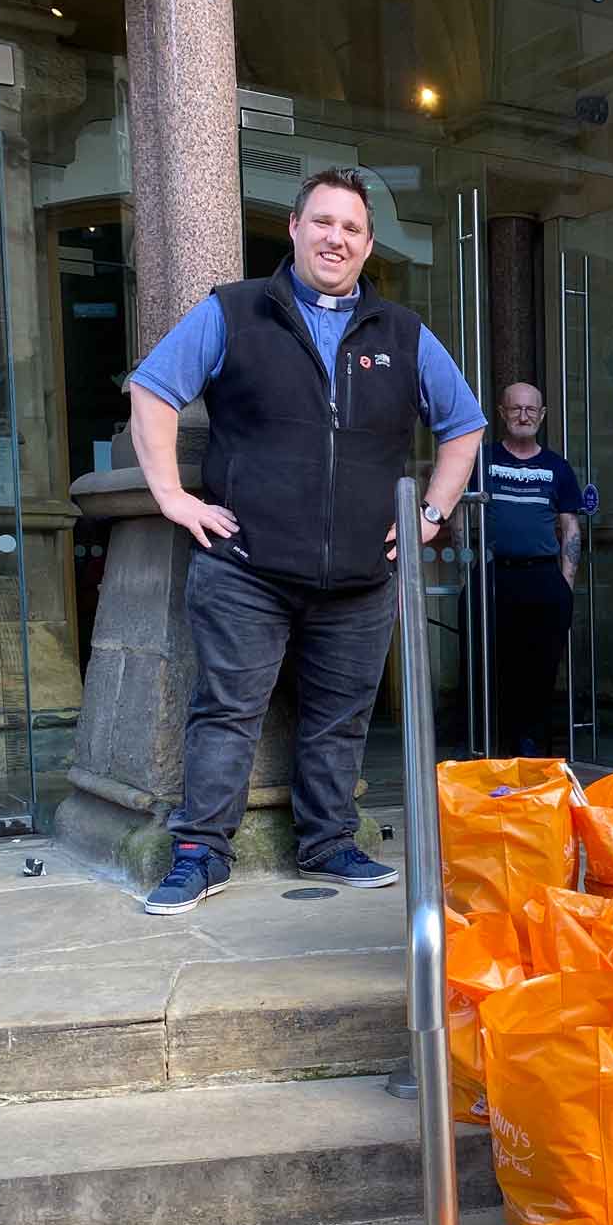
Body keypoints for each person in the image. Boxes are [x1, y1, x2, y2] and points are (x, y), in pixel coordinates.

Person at [127, 168, 486, 914]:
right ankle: (200, 853)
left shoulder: (404, 335)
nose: (336, 237)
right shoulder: (234, 311)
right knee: (226, 710)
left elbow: (465, 426)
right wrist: (170, 495)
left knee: (341, 716)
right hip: (245, 568)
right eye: (323, 222)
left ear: (368, 245)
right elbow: (154, 389)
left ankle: (328, 841)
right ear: (293, 229)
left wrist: (430, 515)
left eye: (352, 228)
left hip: (360, 576)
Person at [484, 381, 583, 756]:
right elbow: (462, 515)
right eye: (515, 409)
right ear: (502, 413)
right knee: (497, 666)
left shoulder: (557, 467)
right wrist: (468, 570)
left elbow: (570, 526)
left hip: (544, 579)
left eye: (531, 410)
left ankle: (536, 751)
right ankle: (495, 748)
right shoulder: (484, 461)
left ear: (541, 416)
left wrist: (565, 584)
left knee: (541, 669)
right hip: (497, 576)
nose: (523, 416)